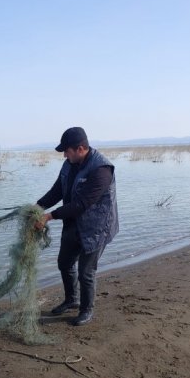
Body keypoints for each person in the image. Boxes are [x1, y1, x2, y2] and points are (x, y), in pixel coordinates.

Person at [35, 127, 119, 326]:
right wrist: (38, 207)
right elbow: (57, 191)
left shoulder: (101, 170)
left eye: (67, 150)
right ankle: (72, 299)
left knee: (85, 272)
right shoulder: (69, 164)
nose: (64, 154)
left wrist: (49, 216)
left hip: (96, 227)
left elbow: (82, 204)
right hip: (73, 223)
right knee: (64, 263)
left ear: (80, 148)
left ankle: (86, 309)